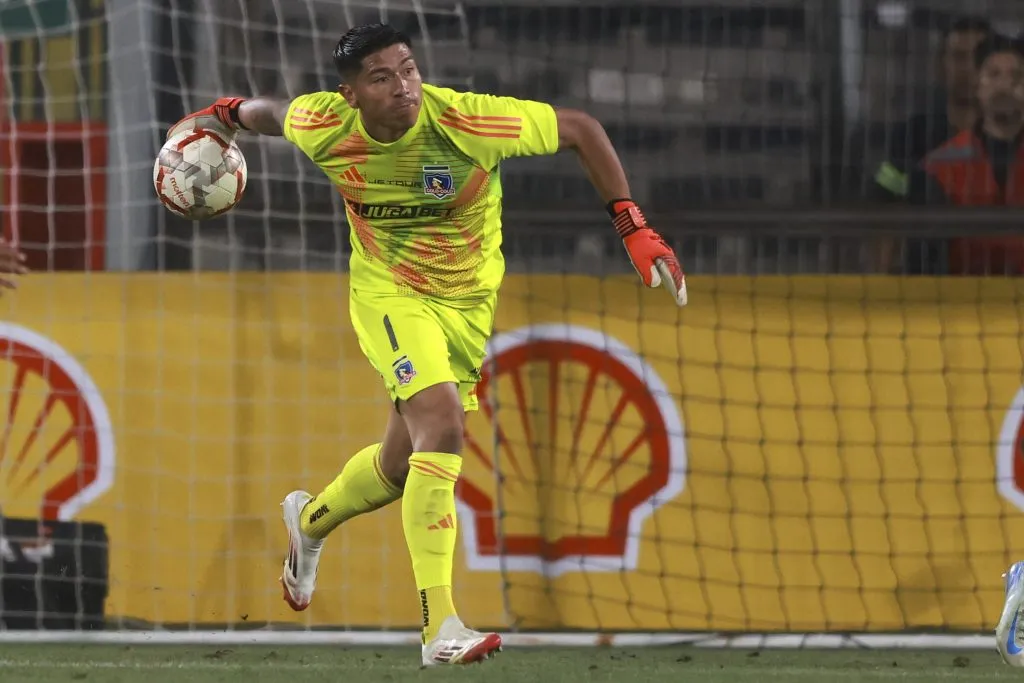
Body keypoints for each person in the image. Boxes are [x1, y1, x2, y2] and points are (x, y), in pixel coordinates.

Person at [167, 23, 686, 666]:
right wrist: (218, 116)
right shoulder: (325, 125)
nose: (403, 86)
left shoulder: (467, 121)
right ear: (350, 95)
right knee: (441, 423)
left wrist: (633, 226)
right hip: (389, 296)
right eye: (382, 77)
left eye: (408, 69)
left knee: (396, 467)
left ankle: (310, 522)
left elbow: (579, 128)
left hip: (467, 306)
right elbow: (264, 113)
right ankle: (440, 625)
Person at [868, 16, 991, 274]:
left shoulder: (1013, 138)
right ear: (940, 65)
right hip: (927, 288)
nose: (968, 67)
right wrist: (879, 281)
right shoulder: (912, 135)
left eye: (977, 57)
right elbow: (887, 209)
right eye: (958, 57)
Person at [910, 34, 1024, 275]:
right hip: (961, 304)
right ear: (978, 87)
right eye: (994, 75)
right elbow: (923, 262)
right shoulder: (937, 167)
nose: (1005, 85)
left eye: (1016, 76)